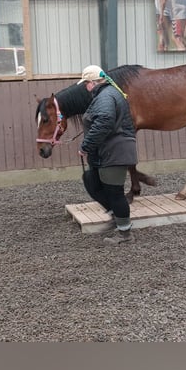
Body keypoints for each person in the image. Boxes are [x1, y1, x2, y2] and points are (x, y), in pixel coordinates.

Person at [77, 64, 138, 245]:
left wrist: (86, 145)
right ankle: (116, 217)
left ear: (92, 83)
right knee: (91, 181)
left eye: (86, 84)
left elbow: (104, 121)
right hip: (108, 151)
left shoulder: (105, 97)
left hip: (114, 151)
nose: (86, 88)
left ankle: (125, 234)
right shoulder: (108, 94)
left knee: (115, 192)